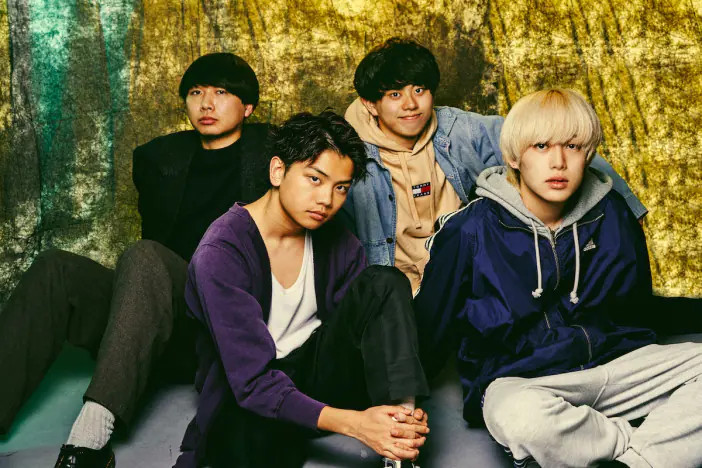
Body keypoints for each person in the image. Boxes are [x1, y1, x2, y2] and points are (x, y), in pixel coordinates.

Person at [0, 52, 270, 468]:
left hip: (216, 320)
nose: (206, 103)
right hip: (153, 310)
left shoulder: (273, 153)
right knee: (57, 267)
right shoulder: (159, 157)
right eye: (195, 92)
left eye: (221, 93)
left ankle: (90, 440)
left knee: (146, 255)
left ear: (248, 107)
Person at [415, 89, 702, 467]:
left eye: (573, 146)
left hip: (617, 363)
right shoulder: (470, 230)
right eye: (541, 146)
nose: (559, 162)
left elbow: (638, 309)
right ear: (514, 157)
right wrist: (393, 400)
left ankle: (626, 461)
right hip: (522, 381)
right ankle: (639, 446)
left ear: (589, 154)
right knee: (523, 420)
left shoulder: (613, 212)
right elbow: (428, 331)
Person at [175, 111, 430, 468]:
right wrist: (356, 424)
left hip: (318, 373)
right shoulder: (221, 252)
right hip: (254, 392)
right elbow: (250, 383)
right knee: (243, 444)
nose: (327, 199)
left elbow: (359, 331)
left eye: (341, 188)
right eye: (315, 179)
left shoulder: (338, 241)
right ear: (278, 171)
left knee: (384, 282)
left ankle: (399, 439)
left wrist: (397, 417)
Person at [343, 37, 647, 294]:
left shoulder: (460, 130)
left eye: (419, 90)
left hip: (462, 281)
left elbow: (554, 136)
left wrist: (629, 211)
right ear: (370, 104)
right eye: (395, 95)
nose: (411, 104)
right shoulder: (347, 153)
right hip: (394, 296)